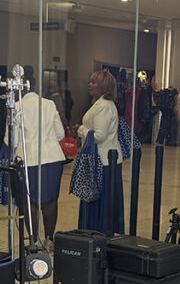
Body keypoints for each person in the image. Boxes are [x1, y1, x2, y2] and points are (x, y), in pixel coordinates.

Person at [15, 68, 66, 248]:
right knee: (50, 200)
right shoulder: (49, 104)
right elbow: (60, 134)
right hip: (52, 157)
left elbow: (12, 140)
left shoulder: (17, 107)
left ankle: (34, 240)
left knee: (30, 201)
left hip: (29, 159)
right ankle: (49, 240)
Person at [74, 69, 124, 233]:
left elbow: (99, 136)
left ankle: (98, 234)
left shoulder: (103, 107)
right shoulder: (101, 104)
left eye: (94, 82)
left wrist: (81, 130)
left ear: (103, 87)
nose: (90, 84)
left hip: (103, 162)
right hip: (101, 160)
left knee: (101, 203)